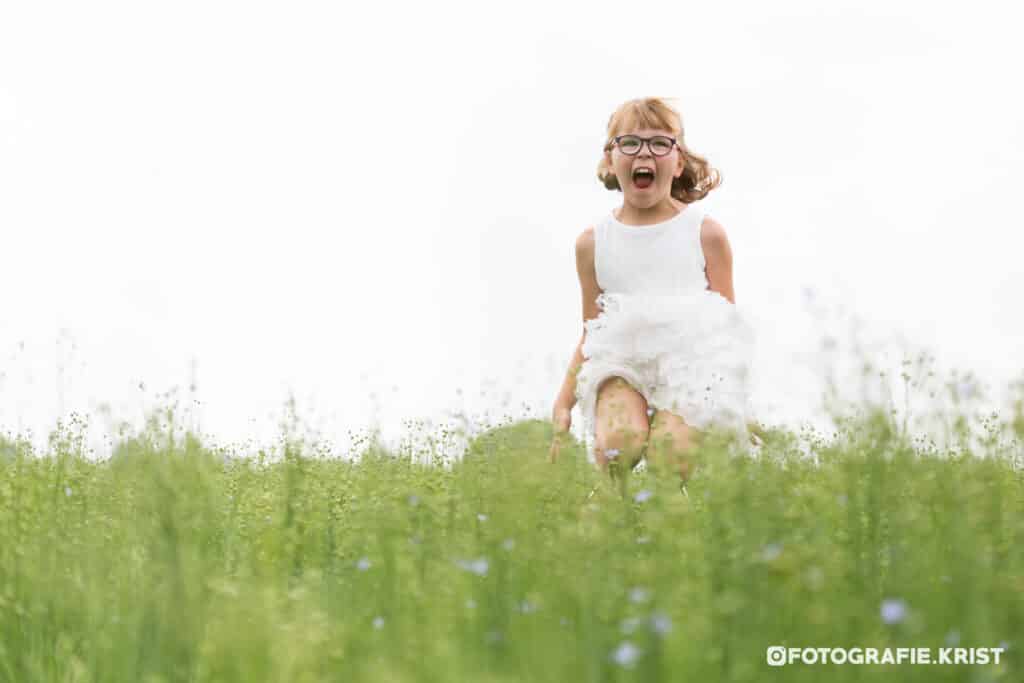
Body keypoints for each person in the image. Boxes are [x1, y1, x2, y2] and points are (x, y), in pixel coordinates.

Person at [548, 96, 763, 497]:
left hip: (691, 366)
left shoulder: (706, 234)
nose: (644, 152)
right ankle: (611, 508)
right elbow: (591, 332)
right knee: (619, 443)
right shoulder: (593, 243)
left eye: (659, 144)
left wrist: (737, 405)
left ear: (678, 161)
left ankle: (666, 519)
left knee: (671, 456)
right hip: (621, 361)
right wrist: (563, 402)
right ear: (611, 161)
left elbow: (727, 333)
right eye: (630, 143)